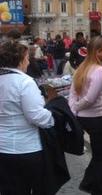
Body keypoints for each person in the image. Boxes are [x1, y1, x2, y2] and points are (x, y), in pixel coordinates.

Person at [0, 41, 55, 194]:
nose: (29, 61)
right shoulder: (24, 82)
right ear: (20, 60)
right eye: (27, 58)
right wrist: (52, 116)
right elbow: (37, 116)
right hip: (25, 148)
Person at [68, 36, 102, 194]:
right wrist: (77, 108)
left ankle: (94, 186)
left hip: (85, 118)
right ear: (99, 52)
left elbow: (72, 94)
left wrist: (74, 110)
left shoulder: (83, 67)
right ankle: (92, 185)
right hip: (96, 118)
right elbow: (89, 99)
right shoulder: (99, 71)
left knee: (99, 154)